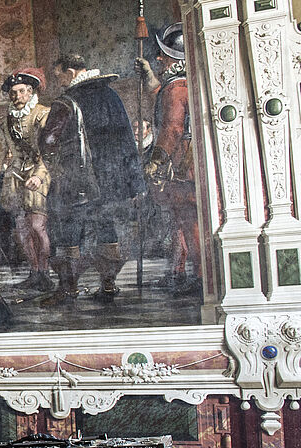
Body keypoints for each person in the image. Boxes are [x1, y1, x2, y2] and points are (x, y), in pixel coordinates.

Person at [40, 53, 146, 305]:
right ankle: (108, 285)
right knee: (106, 229)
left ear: (71, 72)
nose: (60, 83)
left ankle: (68, 288)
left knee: (67, 231)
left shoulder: (66, 103)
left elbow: (48, 141)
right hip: (111, 182)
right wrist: (136, 183)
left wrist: (55, 168)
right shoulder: (111, 96)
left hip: (76, 182)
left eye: (60, 77)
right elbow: (127, 143)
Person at [138, 23, 200, 297]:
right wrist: (150, 76)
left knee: (189, 221)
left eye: (165, 54)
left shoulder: (177, 88)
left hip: (183, 162)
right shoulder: (184, 83)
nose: (160, 58)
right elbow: (162, 98)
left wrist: (155, 159)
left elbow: (172, 128)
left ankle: (198, 277)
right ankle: (179, 272)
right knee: (180, 220)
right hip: (187, 160)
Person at [0, 68, 53, 292]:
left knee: (37, 226)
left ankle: (46, 272)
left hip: (39, 173)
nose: (17, 97)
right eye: (13, 93)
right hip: (15, 177)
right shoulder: (6, 123)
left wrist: (39, 177)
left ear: (30, 92)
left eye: (21, 92)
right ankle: (34, 273)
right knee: (22, 230)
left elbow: (50, 152)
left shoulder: (43, 114)